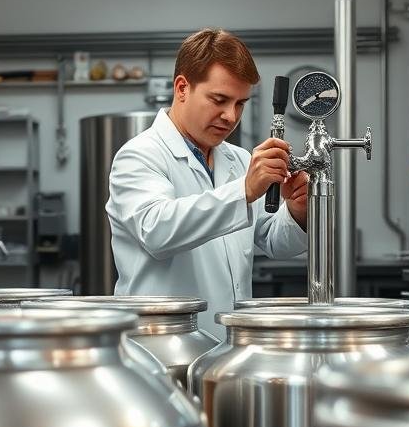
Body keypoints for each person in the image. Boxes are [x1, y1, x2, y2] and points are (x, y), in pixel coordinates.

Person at [106, 28, 308, 339]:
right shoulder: (139, 156)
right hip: (160, 346)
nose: (230, 116)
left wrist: (298, 211)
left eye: (240, 103)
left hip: (228, 345)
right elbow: (157, 231)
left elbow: (273, 241)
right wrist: (244, 191)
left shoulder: (238, 160)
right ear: (182, 88)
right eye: (219, 100)